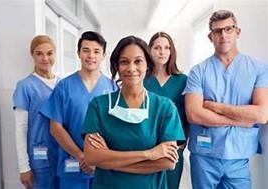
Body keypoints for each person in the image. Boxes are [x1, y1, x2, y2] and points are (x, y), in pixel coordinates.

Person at [81, 36, 185, 189]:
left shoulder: (164, 107)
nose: (131, 68)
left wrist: (110, 161)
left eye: (138, 61)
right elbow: (92, 157)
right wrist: (148, 154)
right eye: (124, 62)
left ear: (148, 65)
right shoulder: (99, 105)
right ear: (116, 66)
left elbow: (167, 162)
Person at [183, 10, 268, 189]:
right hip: (204, 157)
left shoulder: (258, 69)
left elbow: (261, 115)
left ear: (238, 32)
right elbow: (194, 114)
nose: (223, 35)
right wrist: (243, 119)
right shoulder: (198, 71)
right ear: (210, 36)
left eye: (228, 29)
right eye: (217, 31)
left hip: (239, 158)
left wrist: (217, 107)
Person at [40, 31, 117, 189]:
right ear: (78, 53)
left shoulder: (112, 88)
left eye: (96, 51)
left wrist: (98, 159)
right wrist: (82, 156)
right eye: (86, 50)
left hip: (104, 168)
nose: (91, 56)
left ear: (103, 55)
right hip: (73, 165)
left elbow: (117, 129)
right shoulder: (64, 87)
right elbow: (55, 128)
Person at [13, 35, 59, 189]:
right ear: (32, 55)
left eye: (49, 53)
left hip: (63, 157)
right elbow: (20, 129)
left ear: (55, 54)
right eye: (39, 53)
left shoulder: (63, 84)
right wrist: (23, 167)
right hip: (39, 159)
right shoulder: (25, 86)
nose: (45, 58)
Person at [144, 32, 188, 189]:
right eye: (157, 47)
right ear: (149, 50)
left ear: (172, 51)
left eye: (167, 48)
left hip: (173, 148)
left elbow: (188, 114)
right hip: (146, 146)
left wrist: (183, 143)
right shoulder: (142, 79)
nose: (162, 52)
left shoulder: (183, 80)